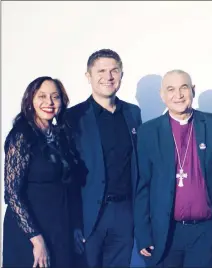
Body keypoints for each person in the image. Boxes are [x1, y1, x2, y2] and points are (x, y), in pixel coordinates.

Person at [134, 69, 212, 267]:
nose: (178, 95)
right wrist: (143, 233)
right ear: (162, 95)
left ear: (193, 90)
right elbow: (142, 185)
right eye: (171, 89)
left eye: (184, 88)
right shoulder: (148, 131)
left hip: (206, 232)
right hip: (166, 232)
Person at [66, 48, 142, 267]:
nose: (108, 77)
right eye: (101, 71)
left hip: (124, 213)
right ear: (88, 77)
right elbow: (66, 175)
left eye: (114, 70)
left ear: (121, 75)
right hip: (88, 214)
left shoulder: (133, 113)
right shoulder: (74, 117)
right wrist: (73, 223)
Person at [2, 76, 82, 267]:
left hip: (60, 225)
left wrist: (76, 227)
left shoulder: (61, 136)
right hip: (29, 230)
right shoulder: (21, 137)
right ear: (30, 100)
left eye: (55, 97)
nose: (49, 102)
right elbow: (12, 194)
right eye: (42, 96)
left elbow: (69, 186)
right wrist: (36, 239)